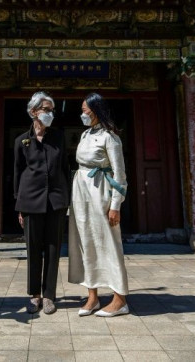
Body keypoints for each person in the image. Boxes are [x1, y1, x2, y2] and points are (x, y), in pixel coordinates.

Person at [68, 93, 129, 317]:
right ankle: (92, 296)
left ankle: (120, 298)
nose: (83, 114)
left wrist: (115, 205)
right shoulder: (85, 134)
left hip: (100, 191)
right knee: (85, 242)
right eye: (83, 110)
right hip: (80, 191)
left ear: (97, 111)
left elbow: (120, 174)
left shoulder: (110, 137)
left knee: (109, 243)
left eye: (87, 111)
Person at [13, 92, 70, 315]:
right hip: (30, 201)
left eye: (51, 110)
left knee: (53, 249)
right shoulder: (21, 141)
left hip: (56, 200)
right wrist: (19, 205)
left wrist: (66, 198)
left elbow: (65, 168)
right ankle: (35, 295)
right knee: (33, 249)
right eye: (46, 109)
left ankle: (49, 296)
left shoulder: (58, 138)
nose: (50, 114)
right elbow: (18, 173)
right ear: (33, 111)